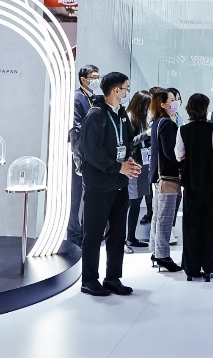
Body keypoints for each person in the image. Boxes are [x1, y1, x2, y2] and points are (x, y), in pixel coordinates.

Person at [78, 72, 142, 297]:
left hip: (119, 184)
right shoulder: (95, 115)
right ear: (116, 90)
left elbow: (128, 142)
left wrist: (130, 161)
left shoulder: (122, 114)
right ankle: (89, 280)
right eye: (125, 88)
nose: (127, 92)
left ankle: (113, 278)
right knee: (93, 234)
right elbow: (92, 152)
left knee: (117, 235)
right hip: (99, 185)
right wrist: (118, 167)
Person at [177, 93, 213, 281]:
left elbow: (178, 156)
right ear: (205, 109)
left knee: (191, 225)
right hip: (211, 180)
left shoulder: (183, 130)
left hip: (191, 181)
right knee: (211, 223)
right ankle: (209, 265)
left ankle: (192, 268)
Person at [149, 90, 182, 272]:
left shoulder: (157, 122)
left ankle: (155, 251)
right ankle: (162, 255)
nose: (175, 102)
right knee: (165, 218)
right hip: (168, 176)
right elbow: (170, 152)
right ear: (163, 104)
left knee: (158, 216)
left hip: (159, 176)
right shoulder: (167, 123)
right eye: (172, 100)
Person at [67, 64, 99, 246]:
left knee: (87, 195)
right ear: (83, 79)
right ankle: (73, 234)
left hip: (91, 152)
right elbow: (76, 128)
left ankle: (85, 231)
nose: (97, 80)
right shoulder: (77, 98)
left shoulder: (92, 98)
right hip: (80, 153)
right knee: (77, 195)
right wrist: (78, 156)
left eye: (98, 77)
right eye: (94, 77)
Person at [124, 90, 152, 251]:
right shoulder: (129, 117)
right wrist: (145, 134)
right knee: (131, 202)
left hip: (142, 163)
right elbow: (129, 142)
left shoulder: (141, 118)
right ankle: (126, 238)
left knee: (137, 201)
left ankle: (131, 237)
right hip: (133, 163)